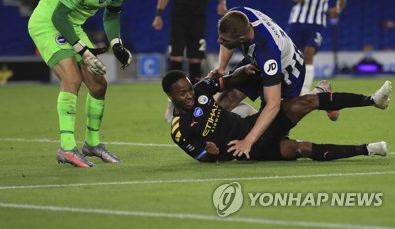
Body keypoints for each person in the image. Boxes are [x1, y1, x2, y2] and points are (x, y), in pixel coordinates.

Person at [27, 0, 133, 168]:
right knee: (72, 79)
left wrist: (117, 46)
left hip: (72, 27)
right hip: (48, 22)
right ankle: (66, 148)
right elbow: (59, 17)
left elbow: (111, 17)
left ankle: (92, 144)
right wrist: (84, 52)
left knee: (98, 85)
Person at [162, 67, 391, 163]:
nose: (190, 94)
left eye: (190, 88)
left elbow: (228, 81)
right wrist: (212, 154)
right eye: (183, 93)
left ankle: (372, 100)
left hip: (254, 126)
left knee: (304, 102)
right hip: (248, 152)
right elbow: (200, 156)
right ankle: (370, 149)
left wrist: (242, 72)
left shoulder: (201, 90)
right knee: (302, 149)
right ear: (171, 96)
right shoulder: (179, 129)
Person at [208, 7, 307, 157]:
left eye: (224, 40)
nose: (219, 41)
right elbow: (226, 37)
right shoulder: (237, 16)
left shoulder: (267, 52)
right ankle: (213, 143)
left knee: (271, 137)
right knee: (226, 98)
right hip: (254, 63)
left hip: (288, 74)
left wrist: (248, 141)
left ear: (241, 39)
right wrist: (221, 67)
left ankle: (320, 92)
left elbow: (273, 104)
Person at [152, 0, 227, 121]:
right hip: (178, 19)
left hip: (198, 19)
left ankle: (193, 104)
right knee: (176, 59)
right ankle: (172, 103)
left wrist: (222, 3)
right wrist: (159, 14)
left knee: (196, 62)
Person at [281, 0, 347, 95]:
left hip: (317, 22)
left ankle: (303, 94)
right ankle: (283, 87)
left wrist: (337, 9)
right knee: (288, 54)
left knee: (309, 53)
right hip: (297, 20)